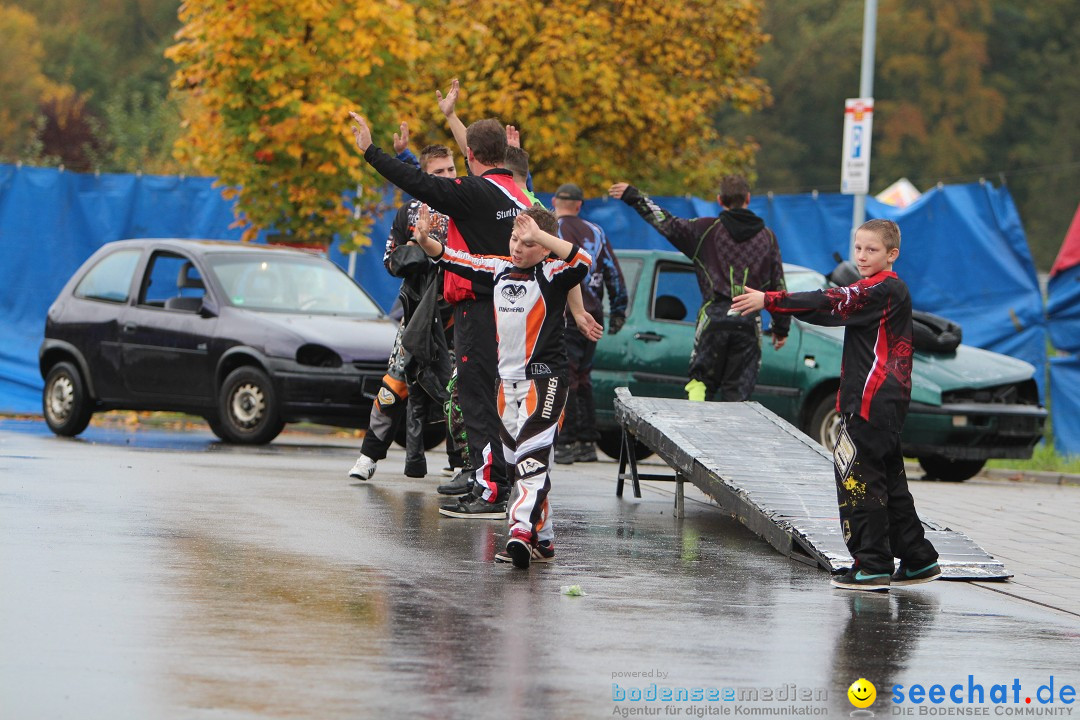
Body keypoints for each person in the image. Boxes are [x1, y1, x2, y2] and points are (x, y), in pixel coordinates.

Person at [350, 108, 543, 519]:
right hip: (512, 307)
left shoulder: (474, 193)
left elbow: (418, 181)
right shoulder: (520, 192)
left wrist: (371, 151)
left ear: (471, 156)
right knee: (495, 398)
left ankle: (491, 488)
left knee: (476, 398)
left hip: (477, 307)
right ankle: (490, 480)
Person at [731, 218, 941, 592]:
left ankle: (872, 564)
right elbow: (837, 304)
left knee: (859, 482)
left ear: (892, 254)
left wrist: (770, 301)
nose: (861, 256)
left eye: (871, 250)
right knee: (890, 483)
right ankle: (918, 558)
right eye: (858, 248)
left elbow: (830, 302)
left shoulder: (881, 288)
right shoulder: (884, 289)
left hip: (870, 403)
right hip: (884, 404)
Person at [413, 203, 591, 568]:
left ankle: (520, 532)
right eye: (514, 238)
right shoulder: (497, 270)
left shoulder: (554, 272)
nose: (517, 247)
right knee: (518, 464)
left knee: (531, 459)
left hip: (545, 381)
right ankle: (543, 540)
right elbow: (453, 258)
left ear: (544, 246)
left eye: (526, 242)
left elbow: (583, 261)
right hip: (504, 385)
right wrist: (426, 241)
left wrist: (539, 234)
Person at [608, 176, 789, 402]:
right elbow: (778, 285)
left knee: (700, 384)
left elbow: (665, 221)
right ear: (748, 199)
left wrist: (633, 196)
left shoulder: (705, 230)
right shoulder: (768, 238)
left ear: (720, 200)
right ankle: (733, 436)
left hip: (712, 319)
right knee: (739, 396)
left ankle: (695, 432)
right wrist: (782, 328)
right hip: (748, 322)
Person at [348, 144, 465, 481]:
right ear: (425, 177)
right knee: (394, 384)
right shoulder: (409, 212)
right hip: (416, 315)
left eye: (451, 170)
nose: (446, 177)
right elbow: (390, 261)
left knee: (460, 390)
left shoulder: (466, 207)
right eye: (438, 172)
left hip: (460, 315)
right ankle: (369, 455)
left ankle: (464, 464)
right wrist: (417, 248)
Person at [551, 182, 628, 464]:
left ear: (555, 201)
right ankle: (586, 442)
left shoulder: (552, 230)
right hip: (593, 314)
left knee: (566, 377)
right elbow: (612, 271)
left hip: (567, 315)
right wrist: (618, 309)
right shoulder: (595, 231)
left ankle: (567, 442)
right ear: (580, 205)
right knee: (583, 378)